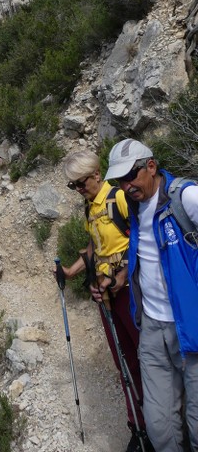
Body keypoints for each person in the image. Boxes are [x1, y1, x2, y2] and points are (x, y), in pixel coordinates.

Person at [105, 138, 198, 452]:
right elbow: (145, 255)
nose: (126, 185)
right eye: (120, 180)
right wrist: (121, 276)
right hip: (152, 330)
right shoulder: (132, 206)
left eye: (131, 176)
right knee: (160, 430)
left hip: (192, 330)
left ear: (152, 166)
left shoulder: (186, 197)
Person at [58, 150, 150, 452]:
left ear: (97, 174)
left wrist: (122, 273)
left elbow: (140, 238)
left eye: (81, 183)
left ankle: (162, 426)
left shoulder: (119, 198)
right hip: (105, 293)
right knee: (123, 361)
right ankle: (138, 426)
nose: (78, 190)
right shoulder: (90, 207)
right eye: (73, 186)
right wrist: (71, 270)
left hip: (131, 292)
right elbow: (94, 245)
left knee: (146, 360)